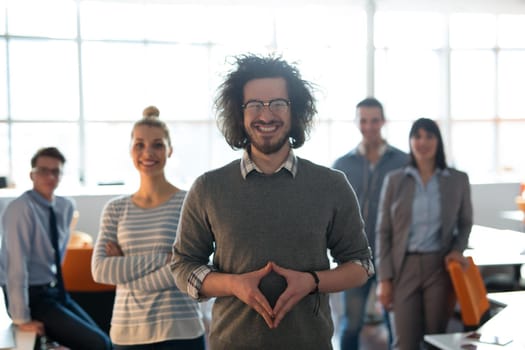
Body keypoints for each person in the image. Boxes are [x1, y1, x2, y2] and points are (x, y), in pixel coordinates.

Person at [171, 54, 374, 350]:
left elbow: (361, 265)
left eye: (278, 103)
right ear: (238, 113)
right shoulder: (208, 188)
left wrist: (312, 281)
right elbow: (182, 265)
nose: (266, 115)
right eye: (254, 105)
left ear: (295, 112)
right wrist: (233, 285)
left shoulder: (331, 185)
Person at [91, 107, 206, 350]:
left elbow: (190, 269)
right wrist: (163, 260)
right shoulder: (116, 208)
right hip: (127, 333)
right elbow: (100, 269)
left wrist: (124, 271)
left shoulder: (189, 202)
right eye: (140, 144)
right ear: (131, 149)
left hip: (180, 331)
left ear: (169, 150)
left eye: (157, 145)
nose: (148, 152)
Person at [375, 118, 473, 350]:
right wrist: (384, 279)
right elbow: (383, 232)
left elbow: (465, 222)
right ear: (410, 142)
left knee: (435, 339)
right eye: (417, 136)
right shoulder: (395, 180)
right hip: (403, 267)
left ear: (438, 141)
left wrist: (457, 249)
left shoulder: (458, 180)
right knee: (404, 342)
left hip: (438, 267)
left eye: (429, 136)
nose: (423, 142)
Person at [0, 147, 111, 350]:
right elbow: (15, 268)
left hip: (55, 290)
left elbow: (58, 255)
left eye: (56, 171)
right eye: (43, 170)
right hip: (30, 296)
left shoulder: (65, 206)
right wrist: (21, 318)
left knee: (104, 338)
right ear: (31, 174)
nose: (50, 176)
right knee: (98, 344)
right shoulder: (20, 209)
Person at [332, 97, 408, 350]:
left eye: (374, 120)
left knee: (395, 323)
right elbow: (335, 213)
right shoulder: (342, 165)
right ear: (357, 122)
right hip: (354, 257)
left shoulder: (403, 162)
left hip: (392, 257)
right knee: (351, 324)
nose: (369, 126)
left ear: (383, 121)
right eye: (363, 120)